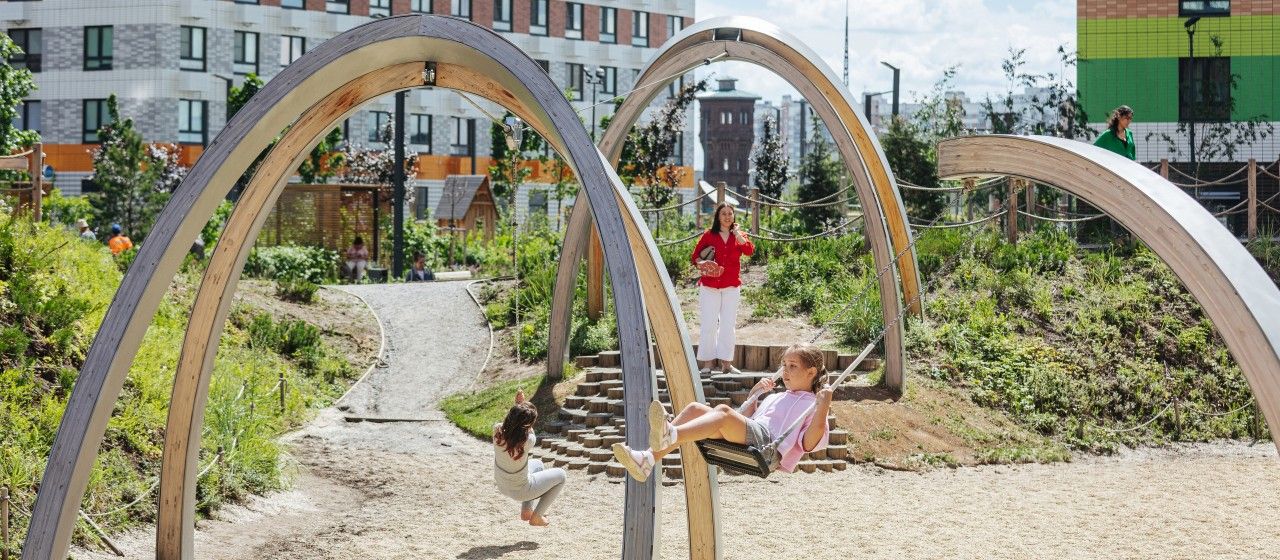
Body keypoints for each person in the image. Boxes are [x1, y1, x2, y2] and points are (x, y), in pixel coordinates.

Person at [612, 343, 832, 482]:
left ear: (811, 372)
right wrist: (754, 395)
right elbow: (747, 421)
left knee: (724, 412)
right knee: (695, 409)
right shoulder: (777, 396)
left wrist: (823, 408)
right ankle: (648, 459)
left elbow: (809, 444)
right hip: (753, 438)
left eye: (792, 366)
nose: (785, 371)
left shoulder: (813, 404)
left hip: (768, 449)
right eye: (784, 365)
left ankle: (671, 434)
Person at [690, 203, 755, 375]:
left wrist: (737, 233)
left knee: (728, 325)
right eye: (723, 213)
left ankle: (727, 364)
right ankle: (708, 364)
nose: (727, 216)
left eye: (730, 214)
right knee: (709, 324)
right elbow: (695, 257)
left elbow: (749, 250)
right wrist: (705, 264)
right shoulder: (708, 235)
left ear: (734, 216)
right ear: (718, 217)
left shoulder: (739, 236)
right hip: (709, 286)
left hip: (731, 286)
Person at [493, 389, 566, 527]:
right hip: (521, 491)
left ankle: (526, 510)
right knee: (562, 476)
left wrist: (518, 405)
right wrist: (522, 406)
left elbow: (510, 422)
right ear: (528, 425)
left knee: (537, 464)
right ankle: (536, 517)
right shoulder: (528, 440)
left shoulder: (497, 432)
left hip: (502, 485)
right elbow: (528, 430)